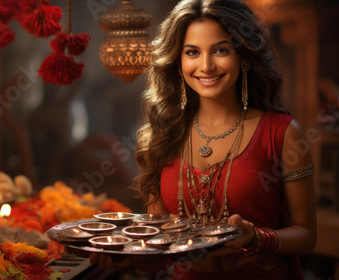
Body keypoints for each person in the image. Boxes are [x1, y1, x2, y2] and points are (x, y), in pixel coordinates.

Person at [90, 0, 316, 279]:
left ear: (243, 56)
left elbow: (306, 236)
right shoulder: (161, 138)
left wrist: (255, 238)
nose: (206, 65)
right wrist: (124, 257)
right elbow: (161, 255)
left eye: (221, 50)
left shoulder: (281, 132)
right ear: (178, 61)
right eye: (192, 52)